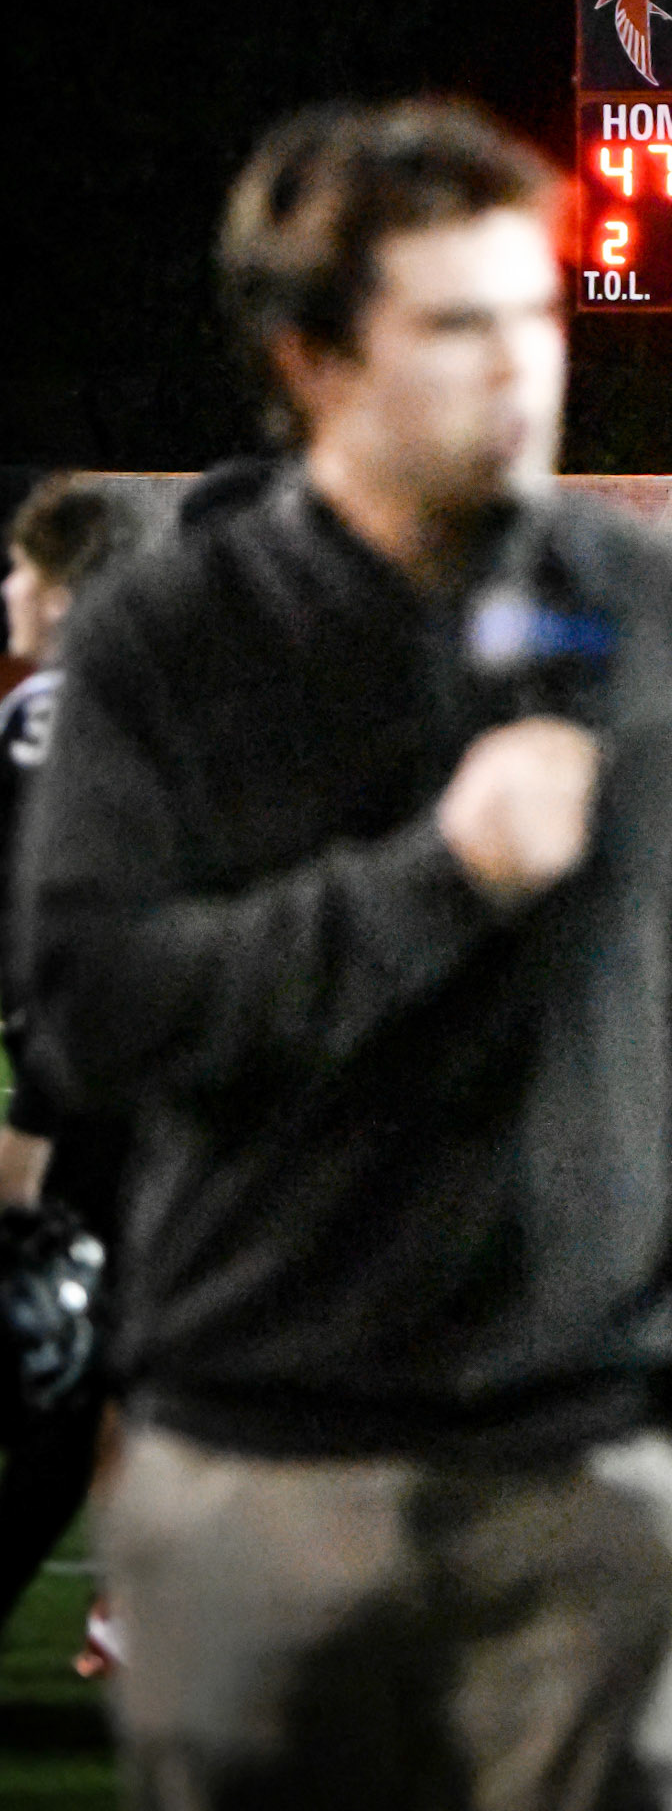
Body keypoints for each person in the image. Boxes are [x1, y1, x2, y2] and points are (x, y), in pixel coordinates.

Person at [10, 100, 672, 1811]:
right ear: (312, 361)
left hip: (590, 1468)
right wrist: (434, 883)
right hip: (261, 1467)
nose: (520, 364)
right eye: (456, 323)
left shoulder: (670, 623)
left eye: (535, 312)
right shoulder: (174, 642)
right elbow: (93, 1021)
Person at [1, 475, 134, 1643]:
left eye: (24, 569)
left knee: (56, 1360)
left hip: (102, 1086)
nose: (8, 588)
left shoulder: (61, 718)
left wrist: (33, 1120)